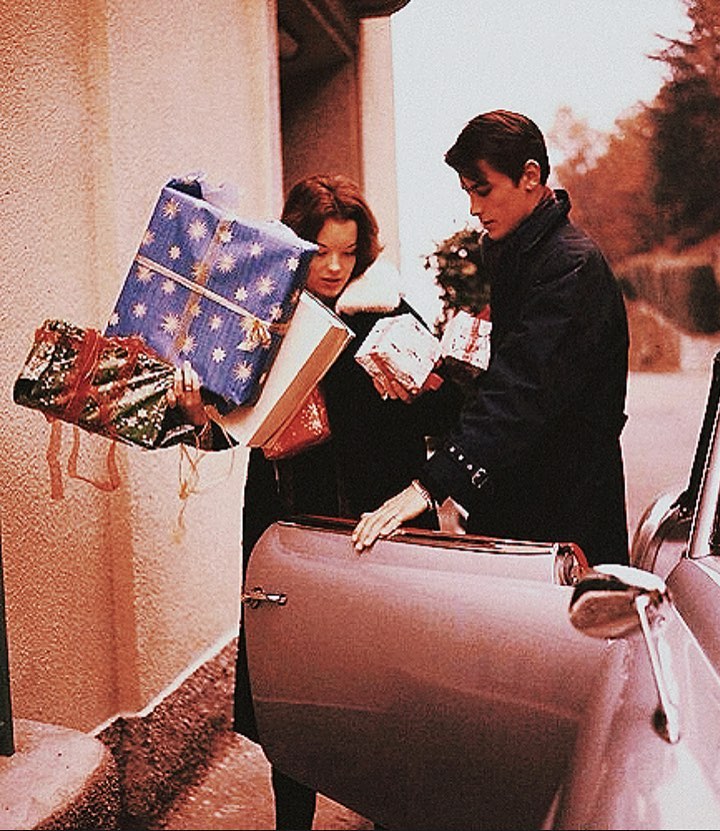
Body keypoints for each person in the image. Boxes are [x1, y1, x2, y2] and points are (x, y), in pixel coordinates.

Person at [172, 173, 462, 830]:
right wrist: (197, 412)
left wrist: (425, 382)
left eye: (348, 251)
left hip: (376, 530)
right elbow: (229, 428)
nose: (334, 266)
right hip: (286, 530)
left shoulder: (389, 314)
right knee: (291, 691)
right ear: (295, 246)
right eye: (320, 250)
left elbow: (453, 407)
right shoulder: (262, 320)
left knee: (385, 691)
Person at [353, 109, 631, 567]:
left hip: (563, 515)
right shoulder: (524, 255)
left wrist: (430, 484)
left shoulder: (568, 266)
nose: (474, 208)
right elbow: (505, 377)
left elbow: (521, 392)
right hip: (526, 503)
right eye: (467, 192)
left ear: (530, 176)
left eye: (482, 190)